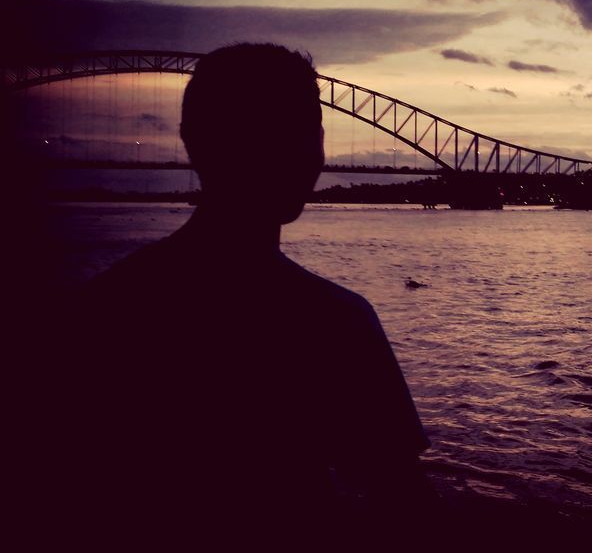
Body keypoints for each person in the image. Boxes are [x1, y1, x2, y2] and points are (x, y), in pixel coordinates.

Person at [62, 44, 429, 546]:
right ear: (315, 149)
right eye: (295, 137)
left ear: (192, 143)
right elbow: (405, 508)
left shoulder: (100, 308)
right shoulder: (334, 323)